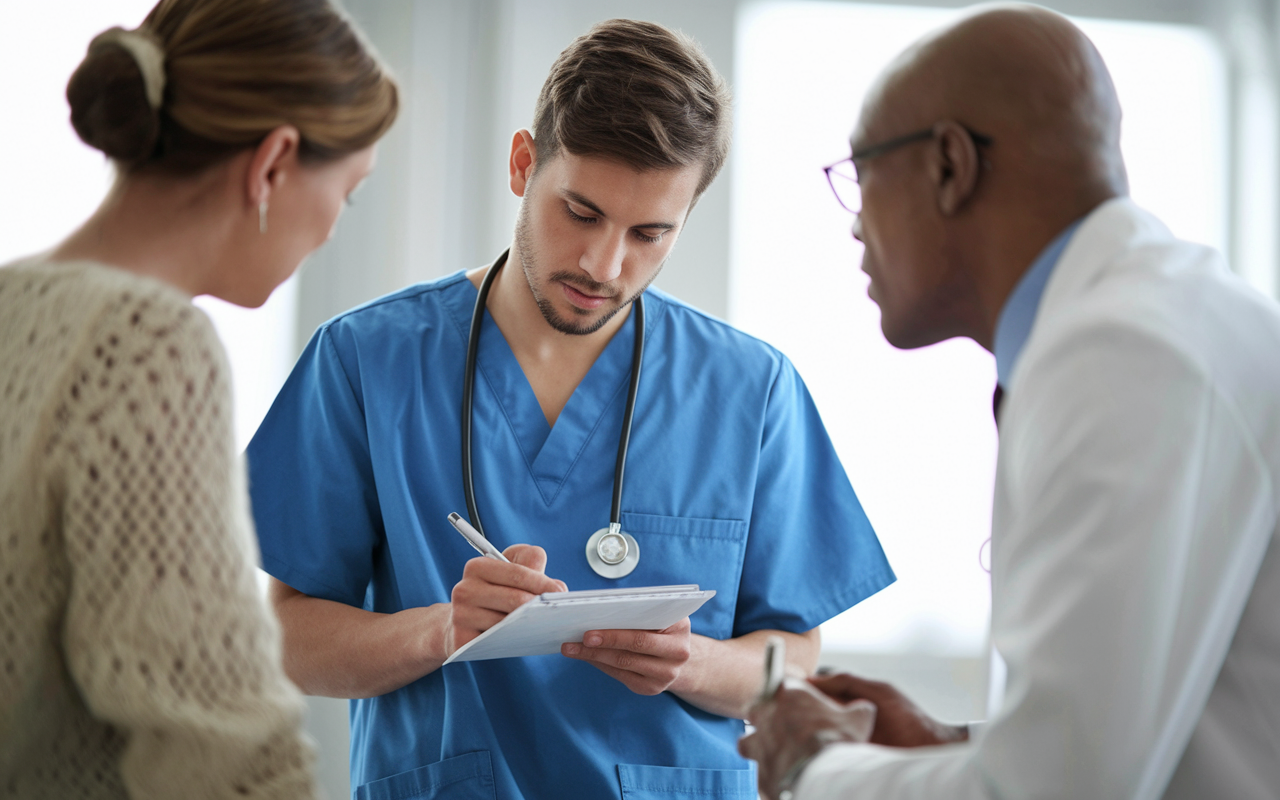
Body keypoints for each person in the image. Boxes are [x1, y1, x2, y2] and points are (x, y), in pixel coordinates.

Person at [245, 17, 895, 800]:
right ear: (524, 164)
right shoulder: (365, 362)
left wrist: (694, 663)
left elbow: (794, 655)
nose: (604, 263)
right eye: (580, 213)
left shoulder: (751, 390)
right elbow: (285, 639)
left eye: (650, 233)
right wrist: (442, 630)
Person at [738, 5, 1280, 799]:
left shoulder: (1122, 353)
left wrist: (816, 764)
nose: (855, 227)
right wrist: (944, 745)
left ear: (951, 165)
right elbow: (1159, 723)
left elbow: (1054, 791)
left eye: (861, 176)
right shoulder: (1167, 314)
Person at [0, 0, 397, 796]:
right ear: (274, 163)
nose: (329, 231)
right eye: (346, 194)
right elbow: (211, 736)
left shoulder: (16, 304)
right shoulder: (146, 345)